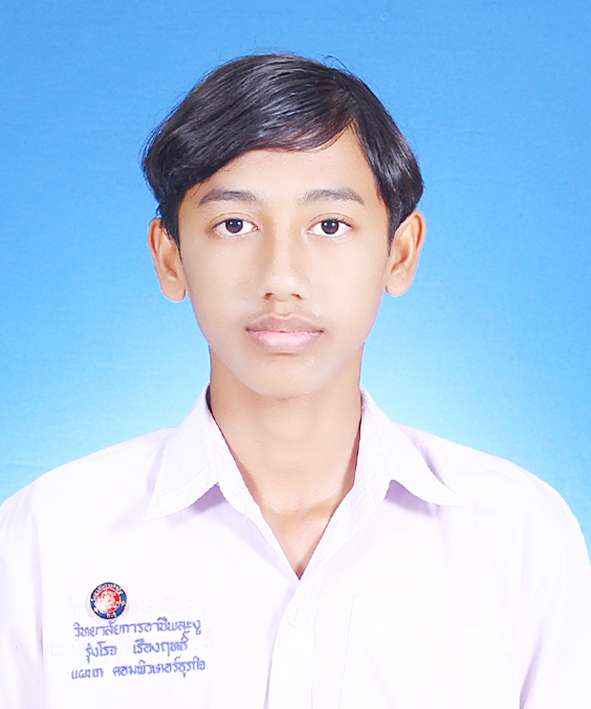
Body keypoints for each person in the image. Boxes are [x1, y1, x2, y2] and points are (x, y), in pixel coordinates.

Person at [0, 53, 590, 709]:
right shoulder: (44, 539)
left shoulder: (519, 537)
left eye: (329, 225)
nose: (281, 276)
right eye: (234, 224)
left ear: (399, 253)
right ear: (170, 257)